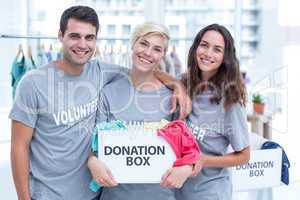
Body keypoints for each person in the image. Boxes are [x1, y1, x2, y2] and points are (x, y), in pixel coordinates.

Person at [9, 6, 191, 200]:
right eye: (74, 36)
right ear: (60, 36)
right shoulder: (32, 83)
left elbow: (144, 68)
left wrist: (177, 85)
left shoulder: (101, 72)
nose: (82, 44)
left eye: (89, 37)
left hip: (92, 194)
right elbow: (19, 145)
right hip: (48, 195)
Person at [87, 22, 193, 200]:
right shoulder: (108, 93)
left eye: (157, 49)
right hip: (115, 195)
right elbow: (96, 146)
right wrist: (92, 161)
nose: (148, 53)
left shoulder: (173, 98)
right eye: (143, 44)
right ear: (133, 44)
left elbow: (188, 150)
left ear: (162, 55)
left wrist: (187, 168)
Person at [176, 24, 250, 200]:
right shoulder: (185, 82)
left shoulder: (230, 102)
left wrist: (205, 160)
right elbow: (158, 75)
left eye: (217, 49)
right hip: (180, 191)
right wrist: (177, 87)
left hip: (210, 192)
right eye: (204, 45)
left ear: (225, 58)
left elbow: (244, 156)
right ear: (195, 48)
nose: (208, 53)